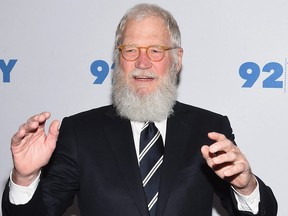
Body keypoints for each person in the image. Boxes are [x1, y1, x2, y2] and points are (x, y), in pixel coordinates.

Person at [2, 3, 277, 216]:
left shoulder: (209, 128)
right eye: (131, 49)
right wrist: (24, 178)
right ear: (118, 58)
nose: (142, 62)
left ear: (176, 59)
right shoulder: (80, 132)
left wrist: (246, 186)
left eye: (156, 50)